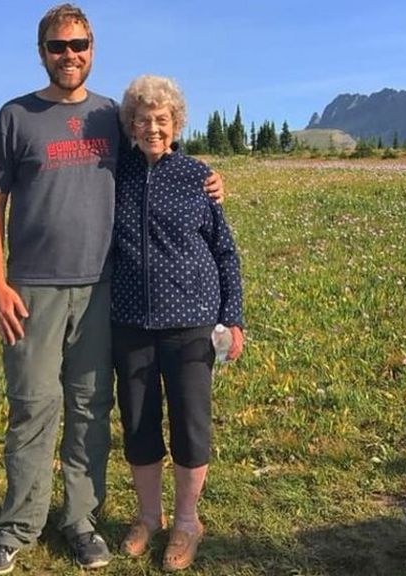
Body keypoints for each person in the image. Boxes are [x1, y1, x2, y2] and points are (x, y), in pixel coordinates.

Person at [0, 6, 223, 575]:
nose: (69, 55)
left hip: (101, 291)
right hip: (31, 290)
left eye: (79, 44)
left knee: (90, 409)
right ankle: (17, 529)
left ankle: (81, 521)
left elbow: (157, 150)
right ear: (42, 51)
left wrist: (206, 177)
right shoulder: (15, 117)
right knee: (33, 408)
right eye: (58, 46)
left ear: (92, 48)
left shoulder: (111, 116)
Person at [111, 75, 245, 572]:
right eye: (143, 120)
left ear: (176, 124)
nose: (152, 128)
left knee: (191, 425)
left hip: (191, 323)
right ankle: (149, 517)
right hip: (129, 322)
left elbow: (225, 252)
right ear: (129, 125)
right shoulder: (115, 173)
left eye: (161, 120)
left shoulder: (196, 175)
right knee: (139, 424)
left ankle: (187, 522)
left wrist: (232, 318)